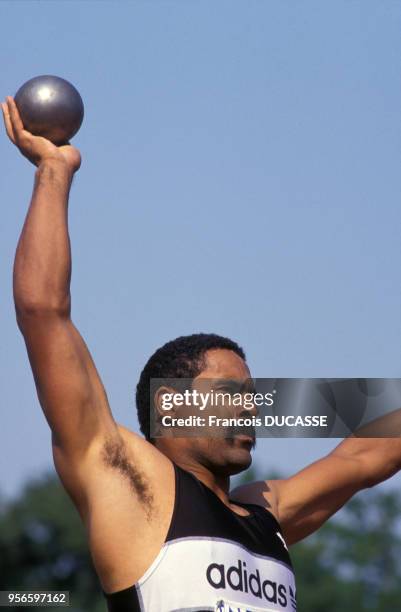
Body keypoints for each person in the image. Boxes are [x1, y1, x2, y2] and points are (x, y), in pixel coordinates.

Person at [3, 96, 401, 612]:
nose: (252, 406)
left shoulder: (266, 512)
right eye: (232, 393)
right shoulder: (127, 479)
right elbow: (42, 312)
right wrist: (54, 173)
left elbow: (369, 452)